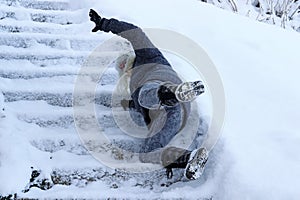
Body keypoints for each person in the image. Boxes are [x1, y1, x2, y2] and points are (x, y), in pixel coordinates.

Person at [89, 9, 208, 180]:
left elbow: (135, 34)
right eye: (122, 70)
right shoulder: (132, 85)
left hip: (162, 84)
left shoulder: (148, 56)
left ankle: (172, 94)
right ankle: (190, 158)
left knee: (144, 93)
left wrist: (104, 24)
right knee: (147, 153)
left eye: (123, 65)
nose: (124, 70)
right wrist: (120, 103)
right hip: (176, 116)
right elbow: (132, 104)